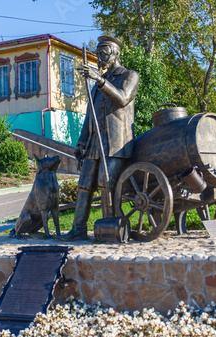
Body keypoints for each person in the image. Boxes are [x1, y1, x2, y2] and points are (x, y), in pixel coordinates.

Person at [59, 36, 139, 241]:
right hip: (95, 143)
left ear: (116, 54)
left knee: (106, 183)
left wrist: (99, 80)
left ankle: (108, 228)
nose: (99, 57)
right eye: (98, 52)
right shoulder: (95, 85)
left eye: (104, 52)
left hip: (116, 142)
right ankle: (78, 229)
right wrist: (81, 142)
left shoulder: (129, 76)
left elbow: (122, 98)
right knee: (84, 184)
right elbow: (90, 117)